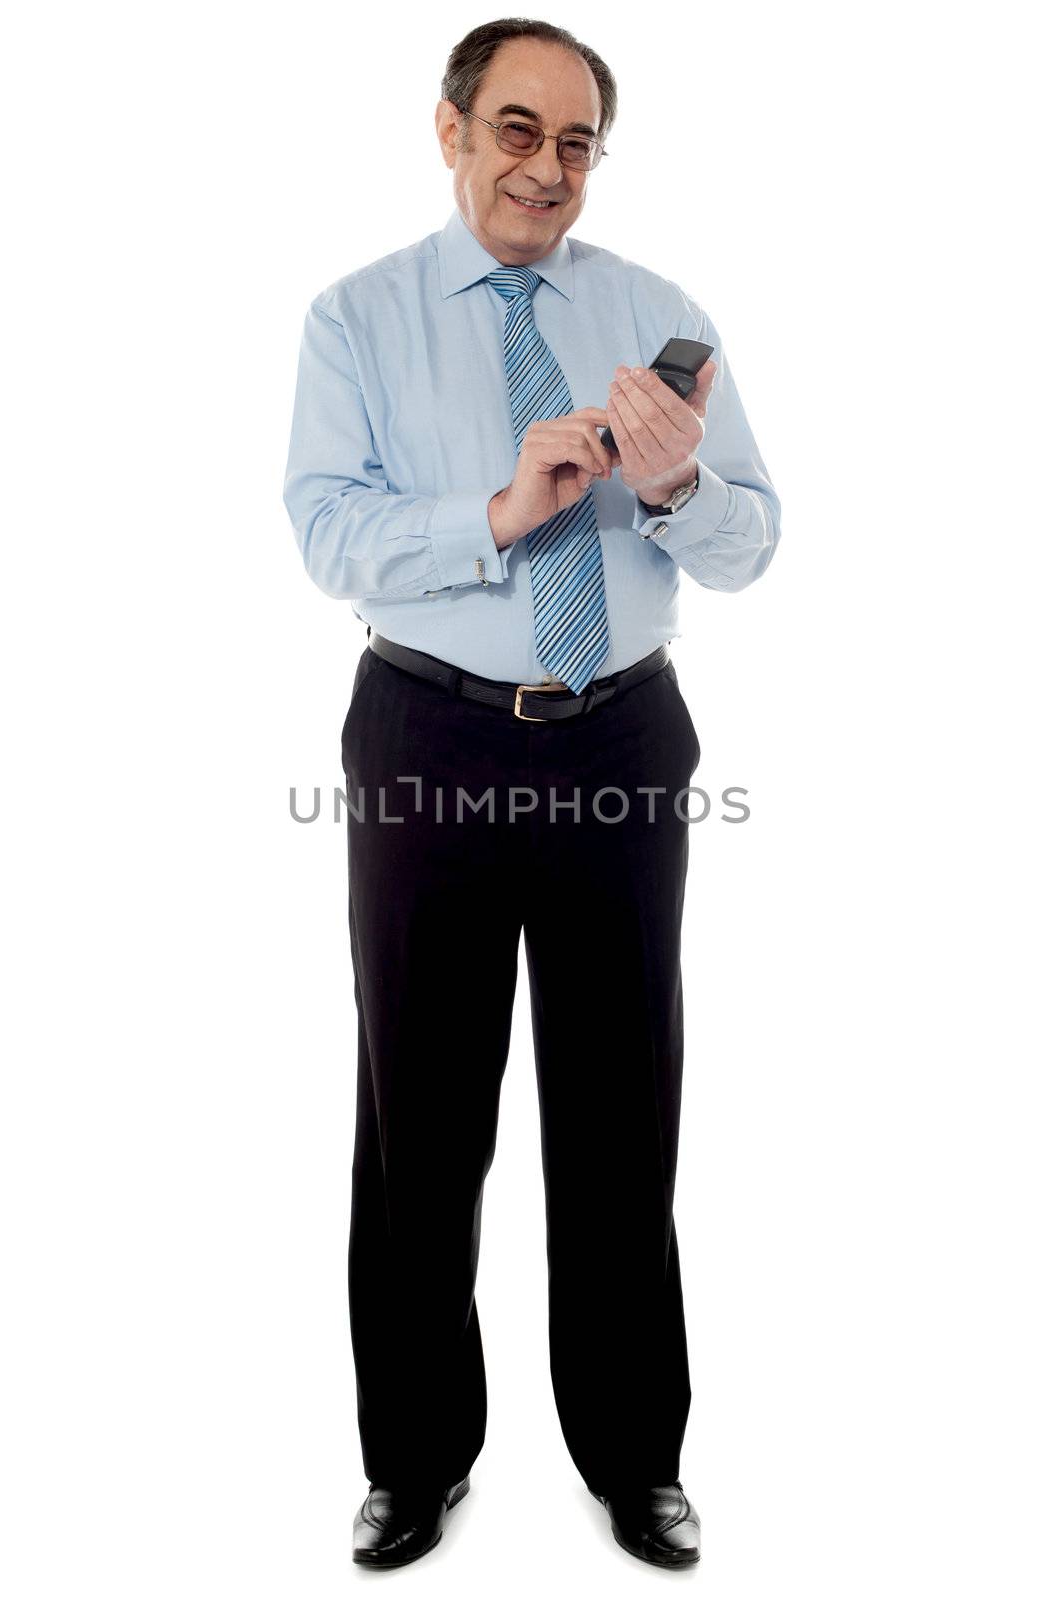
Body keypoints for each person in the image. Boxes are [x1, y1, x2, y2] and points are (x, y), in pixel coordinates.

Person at [282, 16, 780, 1572]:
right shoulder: (356, 318)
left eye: (572, 143)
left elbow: (753, 543)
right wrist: (498, 511)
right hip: (431, 737)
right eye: (514, 130)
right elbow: (326, 532)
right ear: (448, 133)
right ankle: (416, 1459)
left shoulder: (658, 313)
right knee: (419, 1115)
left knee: (621, 1109)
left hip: (620, 740)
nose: (543, 169)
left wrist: (675, 483)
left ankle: (635, 1458)